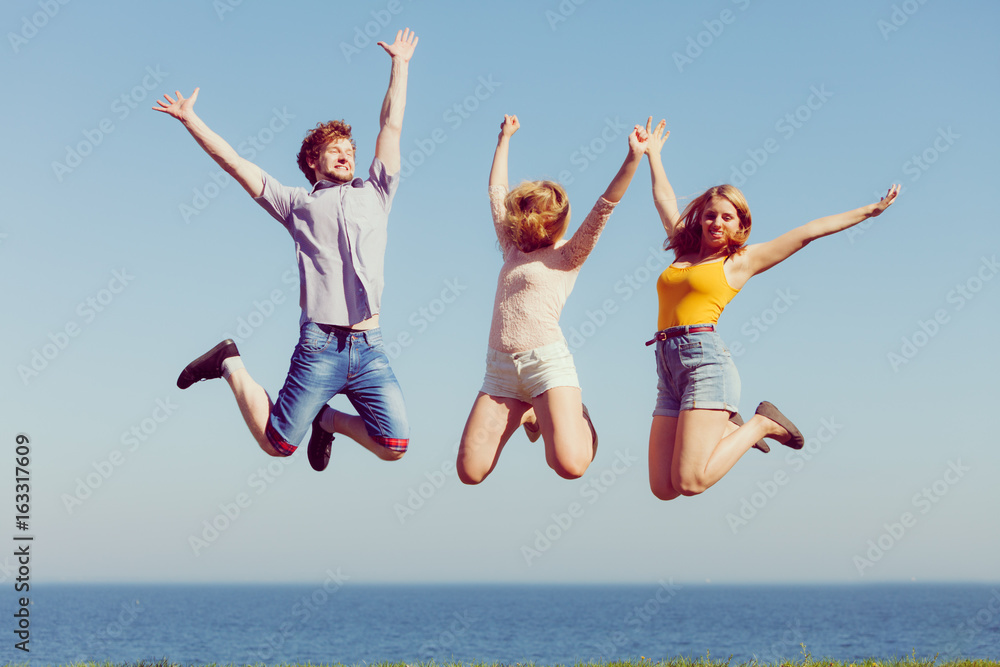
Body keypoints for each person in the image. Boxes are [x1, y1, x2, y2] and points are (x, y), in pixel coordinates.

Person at [154, 29, 419, 472]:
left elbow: (391, 124)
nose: (345, 154)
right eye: (334, 149)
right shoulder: (296, 204)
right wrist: (190, 120)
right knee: (276, 445)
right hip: (319, 347)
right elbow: (237, 164)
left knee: (393, 445)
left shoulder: (376, 192)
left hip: (370, 346)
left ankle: (328, 420)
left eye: (349, 150)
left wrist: (401, 64)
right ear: (313, 161)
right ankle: (228, 361)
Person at [642, 117, 900, 500]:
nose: (716, 222)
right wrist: (653, 154)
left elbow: (807, 232)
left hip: (704, 363)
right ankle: (729, 428)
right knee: (664, 489)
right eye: (710, 214)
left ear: (739, 224)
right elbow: (664, 199)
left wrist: (868, 212)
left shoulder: (739, 261)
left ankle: (760, 425)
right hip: (667, 363)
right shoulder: (683, 249)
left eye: (726, 217)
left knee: (690, 483)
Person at [456, 114, 649, 484]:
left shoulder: (568, 256)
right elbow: (497, 192)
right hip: (500, 371)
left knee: (570, 466)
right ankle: (531, 414)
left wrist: (633, 157)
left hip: (546, 366)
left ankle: (580, 417)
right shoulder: (511, 249)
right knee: (471, 470)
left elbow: (605, 205)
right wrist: (505, 138)